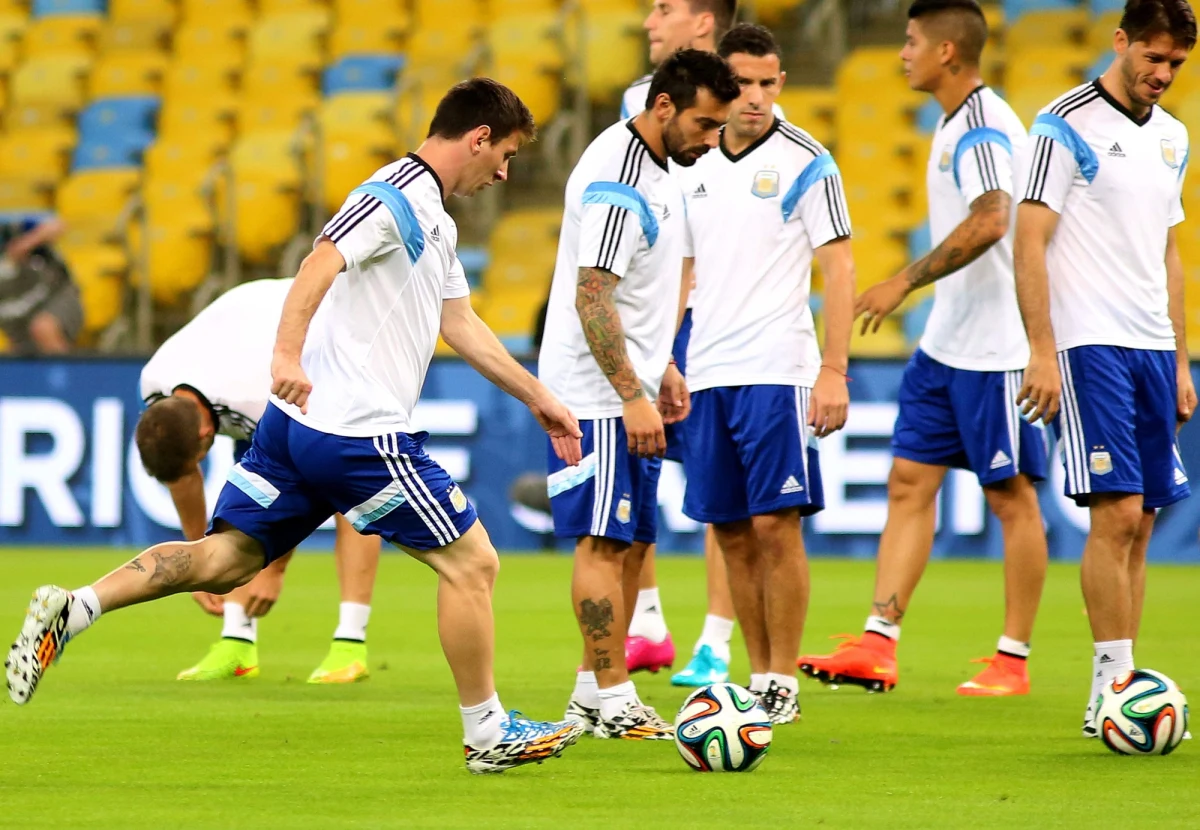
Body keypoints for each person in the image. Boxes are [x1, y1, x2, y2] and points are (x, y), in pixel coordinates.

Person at [6, 78, 586, 775]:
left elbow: (458, 324)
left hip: (294, 429)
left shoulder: (433, 217)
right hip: (357, 431)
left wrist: (538, 396)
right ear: (479, 137)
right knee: (474, 564)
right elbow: (319, 261)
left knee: (225, 558)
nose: (505, 172)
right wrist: (284, 353)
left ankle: (76, 608)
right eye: (510, 155)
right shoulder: (393, 196)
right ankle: (488, 732)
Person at [798, 0, 1049, 697]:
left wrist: (904, 281)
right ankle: (878, 643)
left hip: (997, 347)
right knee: (909, 484)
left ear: (946, 52)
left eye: (912, 42)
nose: (901, 53)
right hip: (946, 345)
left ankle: (1013, 658)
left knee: (1010, 496)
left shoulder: (981, 125)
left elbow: (995, 217)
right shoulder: (953, 122)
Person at [541, 49, 739, 739]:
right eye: (704, 124)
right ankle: (613, 693)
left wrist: (663, 371)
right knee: (601, 542)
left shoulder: (662, 168)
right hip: (594, 395)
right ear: (663, 108)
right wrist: (630, 392)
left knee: (625, 545)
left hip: (628, 384)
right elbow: (591, 292)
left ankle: (590, 696)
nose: (710, 140)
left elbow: (640, 289)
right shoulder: (619, 178)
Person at [1012, 0, 1195, 736]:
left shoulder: (1174, 136)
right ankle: (1113, 685)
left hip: (1152, 344)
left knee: (1143, 521)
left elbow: (1169, 250)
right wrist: (1040, 348)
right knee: (1115, 513)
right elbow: (1029, 240)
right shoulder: (1065, 124)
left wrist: (1180, 357)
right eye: (1152, 58)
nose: (1163, 74)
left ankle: (1118, 687)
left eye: (1176, 64)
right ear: (1120, 43)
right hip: (1090, 343)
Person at [676, 24, 854, 723]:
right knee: (729, 531)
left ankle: (783, 679)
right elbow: (683, 273)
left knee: (776, 525)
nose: (755, 97)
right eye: (741, 83)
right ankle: (755, 678)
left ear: (781, 83)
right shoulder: (694, 165)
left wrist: (833, 369)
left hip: (778, 367)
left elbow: (838, 267)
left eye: (767, 83)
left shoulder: (809, 158)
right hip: (708, 370)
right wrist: (665, 357)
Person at [136, 278, 383, 684]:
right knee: (241, 495)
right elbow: (183, 477)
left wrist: (275, 568)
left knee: (352, 494)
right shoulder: (155, 384)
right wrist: (197, 564)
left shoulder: (256, 394)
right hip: (248, 330)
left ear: (204, 437)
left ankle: (349, 645)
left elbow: (306, 481)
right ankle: (236, 643)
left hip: (326, 331)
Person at [621, 0, 747, 687]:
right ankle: (645, 624)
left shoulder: (749, 108)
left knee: (717, 487)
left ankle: (716, 642)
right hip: (647, 312)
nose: (648, 21)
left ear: (704, 22)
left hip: (715, 317)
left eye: (663, 7)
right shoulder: (635, 104)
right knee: (632, 469)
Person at [0, 216, 81, 354]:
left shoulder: (20, 227)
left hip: (54, 297)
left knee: (43, 327)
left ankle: (63, 374)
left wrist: (37, 237)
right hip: (18, 315)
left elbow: (56, 226)